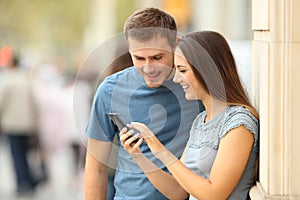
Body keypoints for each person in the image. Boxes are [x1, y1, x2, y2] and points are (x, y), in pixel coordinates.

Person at [120, 31, 259, 200]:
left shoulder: (239, 123)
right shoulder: (201, 121)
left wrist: (160, 150)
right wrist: (139, 156)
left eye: (183, 70)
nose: (177, 79)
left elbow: (214, 194)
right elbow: (179, 192)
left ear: (207, 70)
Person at [84, 7, 204, 200]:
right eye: (139, 58)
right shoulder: (109, 90)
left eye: (157, 57)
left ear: (175, 44)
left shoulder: (197, 87)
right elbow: (96, 169)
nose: (148, 67)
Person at [0, 54, 41, 195]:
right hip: (27, 124)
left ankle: (22, 183)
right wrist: (35, 124)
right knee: (25, 154)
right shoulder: (26, 80)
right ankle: (29, 180)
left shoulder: (7, 80)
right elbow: (35, 104)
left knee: (16, 155)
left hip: (12, 124)